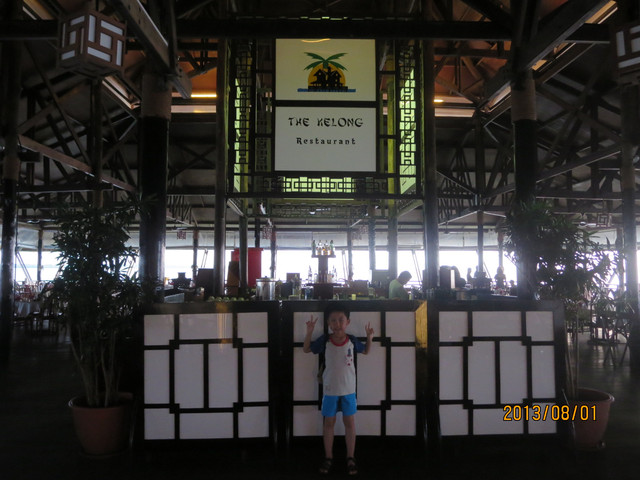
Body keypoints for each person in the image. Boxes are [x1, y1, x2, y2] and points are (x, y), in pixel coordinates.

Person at [303, 303, 374, 475]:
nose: (337, 324)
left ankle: (351, 457)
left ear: (347, 321)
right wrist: (309, 331)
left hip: (349, 389)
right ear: (328, 323)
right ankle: (328, 457)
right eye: (333, 320)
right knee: (329, 424)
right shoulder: (325, 340)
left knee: (349, 423)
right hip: (330, 390)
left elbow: (365, 351)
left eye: (341, 320)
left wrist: (369, 337)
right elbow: (306, 349)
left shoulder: (352, 340)